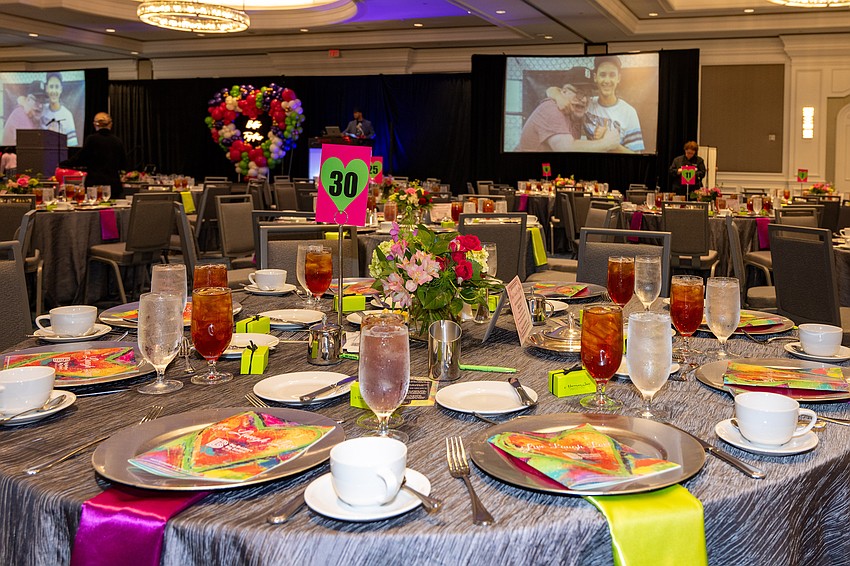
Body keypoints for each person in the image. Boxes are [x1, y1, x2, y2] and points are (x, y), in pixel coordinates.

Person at [515, 66, 620, 152]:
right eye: (578, 92)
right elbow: (566, 148)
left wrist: (602, 133)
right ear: (563, 92)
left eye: (588, 94)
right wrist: (607, 143)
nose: (584, 99)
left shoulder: (575, 113)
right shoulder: (551, 109)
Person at [60, 112, 128, 199]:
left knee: (95, 210)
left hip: (95, 184)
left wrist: (63, 164)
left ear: (95, 125)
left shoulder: (92, 139)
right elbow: (124, 164)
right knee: (112, 211)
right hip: (113, 185)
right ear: (110, 124)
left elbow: (80, 159)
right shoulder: (117, 141)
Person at [586, 55, 644, 153]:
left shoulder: (629, 112)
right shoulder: (586, 103)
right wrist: (553, 92)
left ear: (618, 78)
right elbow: (559, 94)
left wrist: (611, 144)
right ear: (595, 77)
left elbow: (636, 155)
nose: (607, 81)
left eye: (612, 75)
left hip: (616, 167)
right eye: (603, 75)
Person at [1, 81, 46, 145]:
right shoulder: (20, 116)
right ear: (27, 100)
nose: (40, 106)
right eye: (36, 100)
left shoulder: (33, 116)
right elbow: (30, 150)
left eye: (43, 101)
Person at [42, 72, 78, 147]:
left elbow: (72, 144)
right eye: (51, 86)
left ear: (61, 89)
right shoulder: (41, 110)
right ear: (46, 88)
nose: (54, 91)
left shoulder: (67, 115)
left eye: (57, 87)